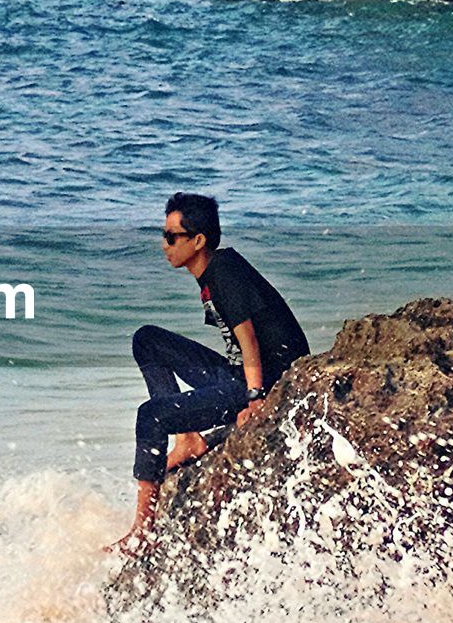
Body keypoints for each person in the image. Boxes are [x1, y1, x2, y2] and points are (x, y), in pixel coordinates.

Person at [108, 192, 309, 556]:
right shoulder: (214, 271)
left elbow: (249, 342)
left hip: (266, 377)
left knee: (150, 416)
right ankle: (188, 439)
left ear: (197, 241)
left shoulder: (224, 273)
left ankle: (142, 531)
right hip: (243, 373)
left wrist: (256, 398)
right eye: (164, 234)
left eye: (172, 237)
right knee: (147, 340)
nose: (164, 244)